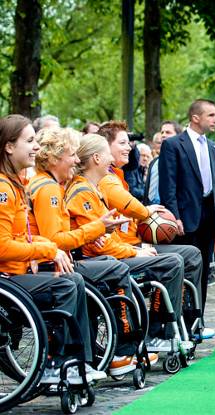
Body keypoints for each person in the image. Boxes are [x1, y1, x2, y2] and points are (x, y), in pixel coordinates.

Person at [28, 127, 158, 375]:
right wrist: (97, 230)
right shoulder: (49, 189)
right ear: (56, 157)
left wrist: (93, 233)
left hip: (64, 257)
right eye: (72, 155)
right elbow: (55, 239)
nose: (76, 161)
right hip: (52, 263)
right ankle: (119, 349)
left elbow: (58, 234)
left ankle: (95, 355)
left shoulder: (53, 185)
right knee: (112, 269)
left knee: (106, 267)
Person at [0, 114, 105, 384]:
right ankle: (56, 363)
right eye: (30, 141)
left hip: (17, 271)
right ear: (9, 147)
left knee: (73, 281)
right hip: (8, 279)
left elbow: (27, 236)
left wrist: (45, 248)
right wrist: (48, 251)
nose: (35, 147)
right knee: (67, 285)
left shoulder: (16, 184)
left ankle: (77, 360)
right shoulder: (9, 187)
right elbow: (2, 246)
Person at [66, 133, 186, 353]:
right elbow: (97, 245)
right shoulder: (83, 192)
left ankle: (160, 331)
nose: (111, 159)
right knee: (171, 262)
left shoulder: (95, 189)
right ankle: (155, 334)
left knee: (174, 259)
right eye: (107, 154)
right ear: (96, 158)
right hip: (99, 259)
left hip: (111, 253)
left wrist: (131, 250)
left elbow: (106, 238)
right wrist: (133, 252)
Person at [96, 121, 208, 339]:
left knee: (191, 254)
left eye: (129, 142)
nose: (129, 147)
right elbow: (131, 206)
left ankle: (186, 320)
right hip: (121, 250)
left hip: (132, 244)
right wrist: (148, 213)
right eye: (123, 143)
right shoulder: (107, 180)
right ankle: (160, 326)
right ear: (104, 148)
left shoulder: (119, 176)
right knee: (173, 261)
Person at [159, 100, 215, 326]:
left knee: (203, 271)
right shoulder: (173, 145)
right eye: (211, 115)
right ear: (195, 117)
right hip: (184, 219)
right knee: (184, 272)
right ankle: (179, 321)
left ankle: (197, 319)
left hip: (209, 218)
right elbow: (168, 187)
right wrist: (174, 216)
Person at [145, 120, 182, 204]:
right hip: (150, 211)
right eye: (162, 132)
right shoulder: (154, 162)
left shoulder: (183, 161)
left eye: (168, 132)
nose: (163, 135)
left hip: (171, 212)